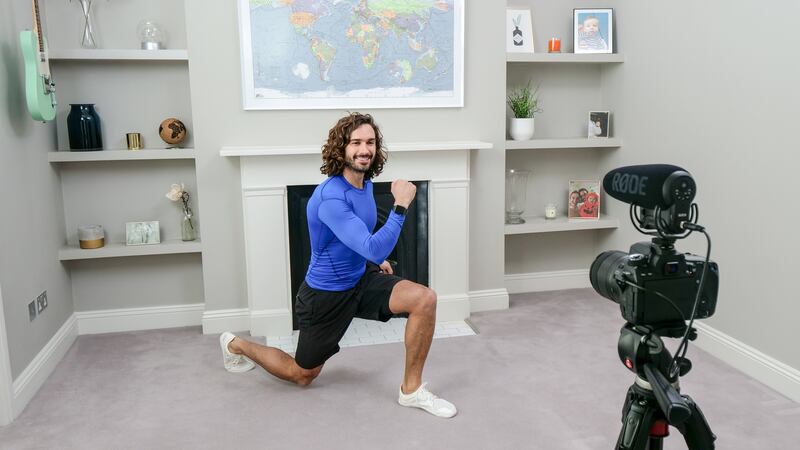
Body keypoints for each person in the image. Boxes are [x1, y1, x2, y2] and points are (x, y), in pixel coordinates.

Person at [219, 112, 457, 418]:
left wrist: (375, 260)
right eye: (355, 143)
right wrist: (400, 206)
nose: (364, 149)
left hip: (360, 278)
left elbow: (355, 240)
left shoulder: (364, 184)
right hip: (326, 295)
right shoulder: (331, 197)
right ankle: (236, 344)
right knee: (302, 374)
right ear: (341, 148)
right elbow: (370, 245)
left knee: (424, 299)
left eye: (370, 142)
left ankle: (411, 390)